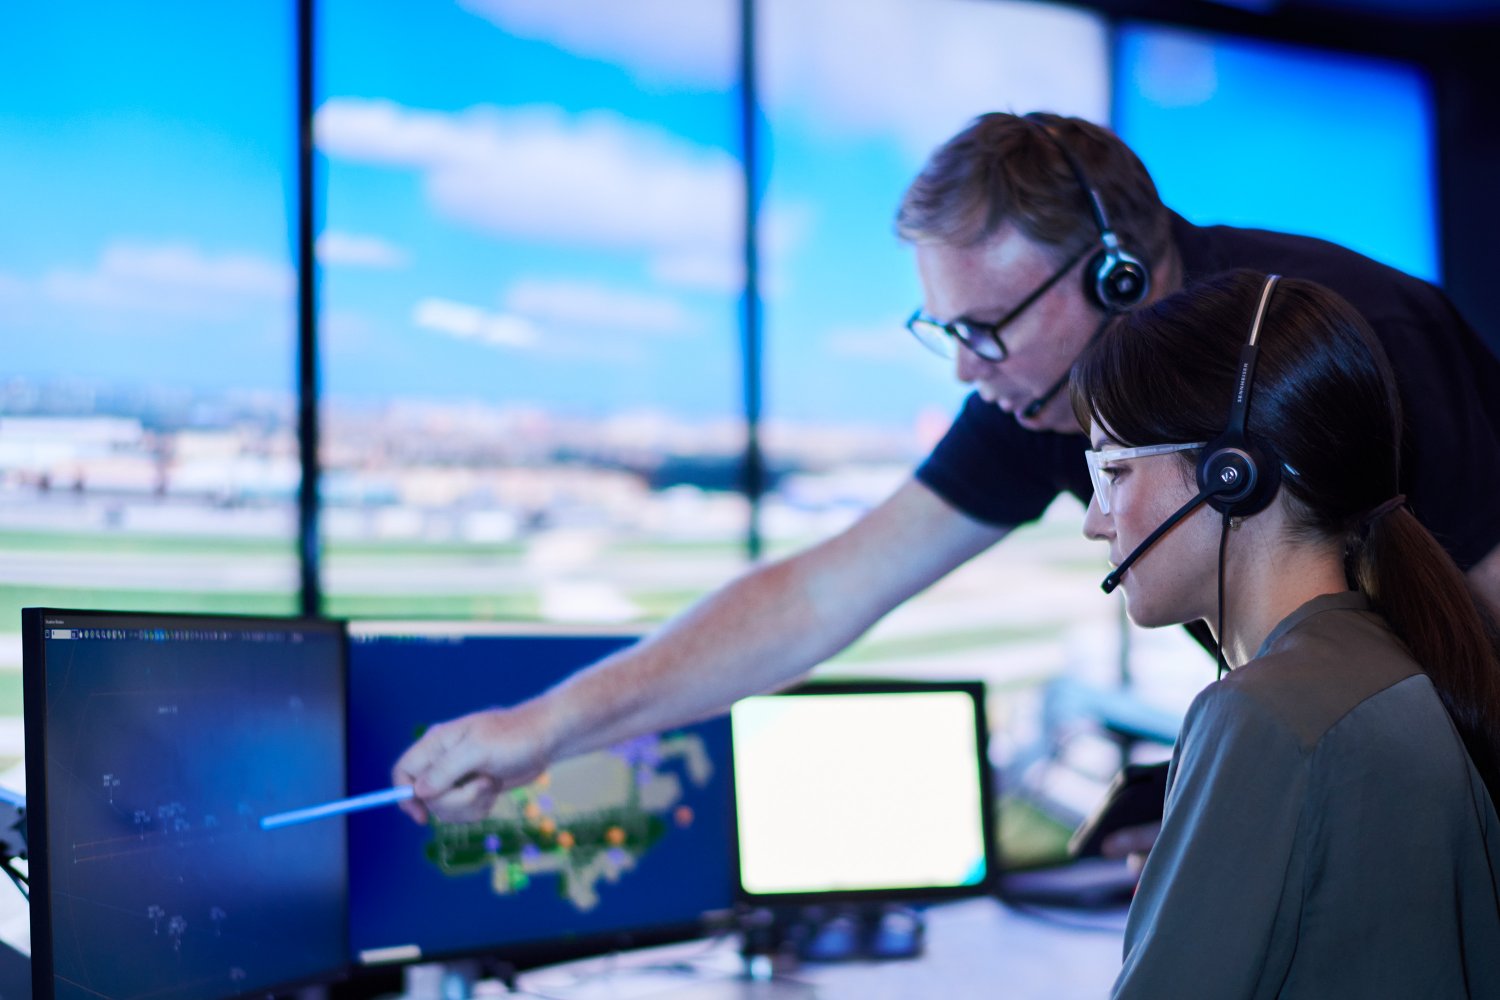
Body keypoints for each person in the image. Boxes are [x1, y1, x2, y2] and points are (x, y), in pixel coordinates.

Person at [392, 111, 1500, 829]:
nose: (968, 367)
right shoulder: (1045, 386)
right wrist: (542, 727)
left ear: (1117, 277)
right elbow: (821, 592)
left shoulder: (1363, 345)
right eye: (946, 331)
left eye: (987, 326)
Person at [1074, 269, 1500, 997]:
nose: (1094, 519)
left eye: (1113, 469)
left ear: (1229, 475)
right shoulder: (1389, 662)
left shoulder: (1264, 715)